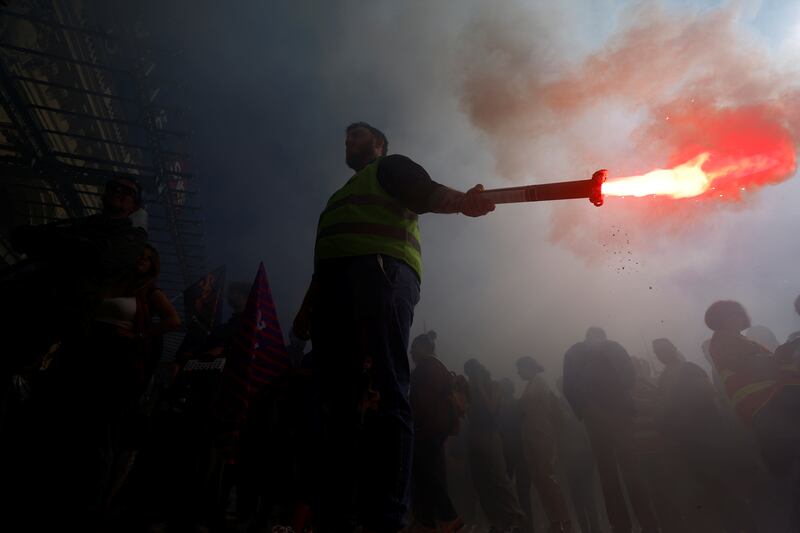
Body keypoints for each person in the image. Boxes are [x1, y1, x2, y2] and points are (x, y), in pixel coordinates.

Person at [292, 122, 494, 533]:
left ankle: (387, 517)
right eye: (345, 136)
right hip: (335, 290)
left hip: (380, 274)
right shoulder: (339, 197)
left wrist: (462, 203)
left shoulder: (390, 168)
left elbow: (426, 191)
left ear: (380, 145)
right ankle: (337, 514)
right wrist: (308, 306)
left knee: (386, 389)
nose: (349, 140)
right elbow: (326, 257)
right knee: (339, 402)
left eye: (359, 134)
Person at [705, 300, 800, 528]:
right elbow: (752, 364)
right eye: (731, 313)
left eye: (738, 312)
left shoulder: (739, 340)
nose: (738, 316)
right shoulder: (723, 340)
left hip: (772, 406)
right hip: (768, 404)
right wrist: (782, 354)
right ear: (720, 319)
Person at [653, 337, 758, 533]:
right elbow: (708, 394)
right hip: (701, 443)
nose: (662, 354)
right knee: (724, 497)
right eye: (660, 351)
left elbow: (666, 416)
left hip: (700, 445)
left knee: (722, 497)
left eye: (661, 350)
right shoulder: (677, 374)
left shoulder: (676, 375)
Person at [562, 327, 658, 533]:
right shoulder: (614, 347)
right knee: (632, 470)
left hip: (594, 421)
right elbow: (630, 378)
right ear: (602, 335)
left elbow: (568, 387)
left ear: (585, 336)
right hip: (620, 416)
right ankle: (648, 522)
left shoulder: (572, 352)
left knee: (607, 474)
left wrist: (584, 413)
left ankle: (620, 524)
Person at [409, 331, 463, 533]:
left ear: (423, 348)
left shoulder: (427, 368)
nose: (411, 352)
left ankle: (447, 517)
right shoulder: (437, 367)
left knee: (427, 475)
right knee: (430, 475)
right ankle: (428, 522)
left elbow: (420, 402)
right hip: (434, 430)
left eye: (414, 348)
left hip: (427, 430)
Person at [464, 359, 526, 533]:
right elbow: (466, 413)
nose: (471, 376)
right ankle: (495, 521)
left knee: (499, 478)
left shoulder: (493, 386)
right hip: (475, 436)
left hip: (490, 435)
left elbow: (491, 409)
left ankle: (514, 518)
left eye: (472, 372)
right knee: (480, 482)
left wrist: (481, 389)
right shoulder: (469, 388)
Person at [516, 356, 573, 533]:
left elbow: (543, 409)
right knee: (540, 480)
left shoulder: (540, 383)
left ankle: (564, 519)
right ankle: (555, 520)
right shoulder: (531, 384)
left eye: (520, 368)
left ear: (529, 367)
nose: (518, 372)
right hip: (532, 436)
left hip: (542, 435)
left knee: (547, 477)